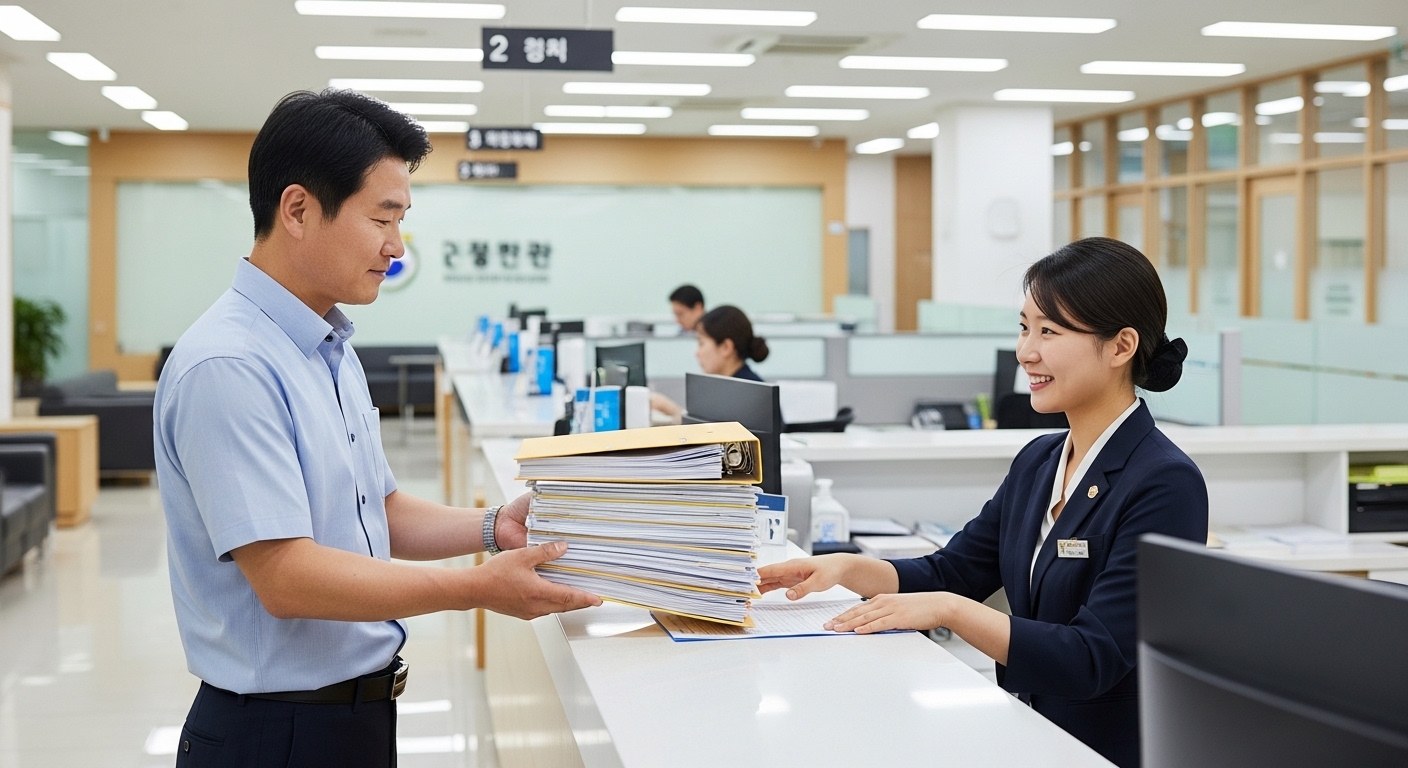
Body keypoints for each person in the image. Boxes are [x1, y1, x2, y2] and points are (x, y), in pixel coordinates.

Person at [155, 90, 600, 768]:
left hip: (355, 719)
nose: (396, 247)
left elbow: (375, 509)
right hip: (276, 735)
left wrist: (491, 527)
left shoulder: (327, 345)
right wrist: (475, 588)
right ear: (298, 209)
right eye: (382, 218)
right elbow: (287, 577)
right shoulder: (230, 365)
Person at [758, 237, 1208, 768]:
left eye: (1050, 331)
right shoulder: (1040, 461)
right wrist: (844, 568)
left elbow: (1092, 658)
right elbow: (953, 569)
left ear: (1120, 346)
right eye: (1024, 327)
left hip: (1101, 753)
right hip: (1027, 734)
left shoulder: (1165, 483)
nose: (1026, 351)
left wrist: (952, 610)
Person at [651, 305, 770, 422]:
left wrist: (668, 407)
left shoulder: (749, 395)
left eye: (701, 343)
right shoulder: (729, 388)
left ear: (726, 347)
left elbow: (711, 433)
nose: (697, 353)